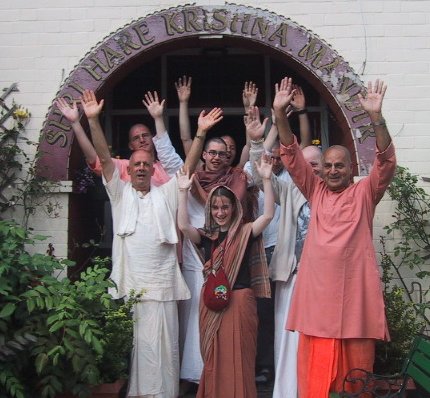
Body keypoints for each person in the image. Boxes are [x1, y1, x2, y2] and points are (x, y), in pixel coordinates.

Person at [80, 88, 223, 398]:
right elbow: (104, 158)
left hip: (163, 285)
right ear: (128, 171)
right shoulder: (119, 194)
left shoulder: (166, 192)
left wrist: (200, 133)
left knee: (167, 346)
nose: (142, 167)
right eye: (137, 164)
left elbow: (186, 168)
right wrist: (93, 120)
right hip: (133, 285)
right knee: (138, 347)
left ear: (153, 167)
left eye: (147, 163)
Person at [273, 77, 396, 397]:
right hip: (318, 306)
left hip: (355, 302)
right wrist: (278, 115)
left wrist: (376, 118)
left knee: (355, 381)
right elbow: (291, 155)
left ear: (351, 166)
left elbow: (385, 162)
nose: (333, 170)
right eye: (327, 166)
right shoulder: (315, 191)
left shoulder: (365, 193)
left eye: (339, 165)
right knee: (317, 381)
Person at [177, 151, 274, 398]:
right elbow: (184, 226)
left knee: (240, 358)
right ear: (210, 209)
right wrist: (182, 192)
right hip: (212, 304)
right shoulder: (206, 236)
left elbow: (269, 215)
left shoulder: (245, 232)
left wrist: (266, 179)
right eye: (216, 207)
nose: (220, 212)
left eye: (225, 207)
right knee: (213, 357)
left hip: (240, 303)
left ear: (234, 208)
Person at [247, 105, 323, 397]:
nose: (312, 170)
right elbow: (260, 176)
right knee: (286, 335)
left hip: (320, 282)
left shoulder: (334, 196)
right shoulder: (289, 190)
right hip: (292, 277)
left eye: (316, 165)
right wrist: (256, 143)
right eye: (308, 165)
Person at [55, 97, 182, 184]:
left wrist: (158, 118)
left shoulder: (167, 166)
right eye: (136, 138)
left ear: (154, 139)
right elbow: (96, 159)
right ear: (130, 146)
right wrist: (75, 123)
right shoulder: (125, 167)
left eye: (145, 135)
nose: (142, 140)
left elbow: (167, 149)